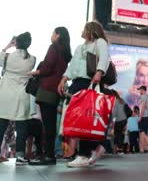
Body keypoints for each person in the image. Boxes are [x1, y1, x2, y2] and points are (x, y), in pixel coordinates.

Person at [57, 21, 113, 167]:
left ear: (90, 30)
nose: (81, 30)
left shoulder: (99, 42)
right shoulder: (79, 47)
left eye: (84, 28)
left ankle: (83, 154)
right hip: (76, 83)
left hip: (90, 82)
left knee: (84, 119)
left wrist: (99, 73)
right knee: (76, 118)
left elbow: (105, 57)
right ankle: (95, 147)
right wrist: (64, 79)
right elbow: (72, 66)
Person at [29, 27, 72, 165]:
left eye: (53, 33)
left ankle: (48, 156)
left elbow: (47, 67)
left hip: (47, 88)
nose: (51, 35)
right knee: (51, 124)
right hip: (55, 90)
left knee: (47, 125)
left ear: (58, 35)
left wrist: (34, 73)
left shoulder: (54, 47)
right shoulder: (65, 52)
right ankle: (49, 154)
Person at [0, 32, 36, 165]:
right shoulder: (32, 59)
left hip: (5, 95)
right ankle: (20, 156)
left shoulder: (6, 57)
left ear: (16, 43)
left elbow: (1, 53)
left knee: (1, 126)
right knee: (21, 127)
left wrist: (9, 45)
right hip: (22, 97)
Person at [137, 85, 148, 153]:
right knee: (143, 133)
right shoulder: (147, 97)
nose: (139, 91)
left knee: (142, 132)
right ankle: (147, 147)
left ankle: (146, 148)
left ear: (142, 90)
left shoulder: (144, 96)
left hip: (144, 117)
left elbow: (142, 108)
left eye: (140, 90)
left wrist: (140, 117)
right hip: (146, 116)